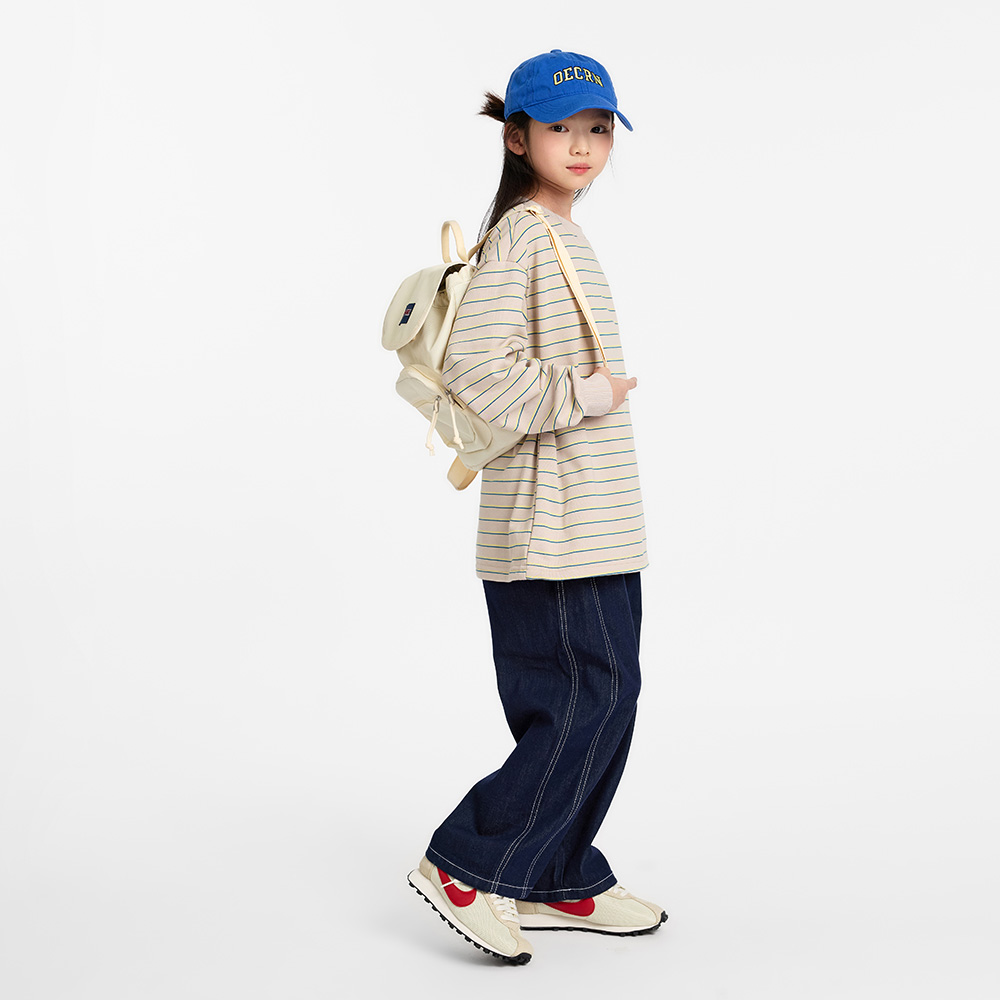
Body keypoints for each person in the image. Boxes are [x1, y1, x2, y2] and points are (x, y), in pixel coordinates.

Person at [406, 49, 665, 965]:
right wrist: (587, 394)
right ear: (517, 139)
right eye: (561, 128)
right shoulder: (522, 235)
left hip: (594, 519)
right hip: (553, 528)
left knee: (607, 695)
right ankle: (467, 863)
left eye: (598, 128)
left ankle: (552, 873)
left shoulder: (559, 234)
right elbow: (476, 370)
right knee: (585, 697)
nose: (583, 145)